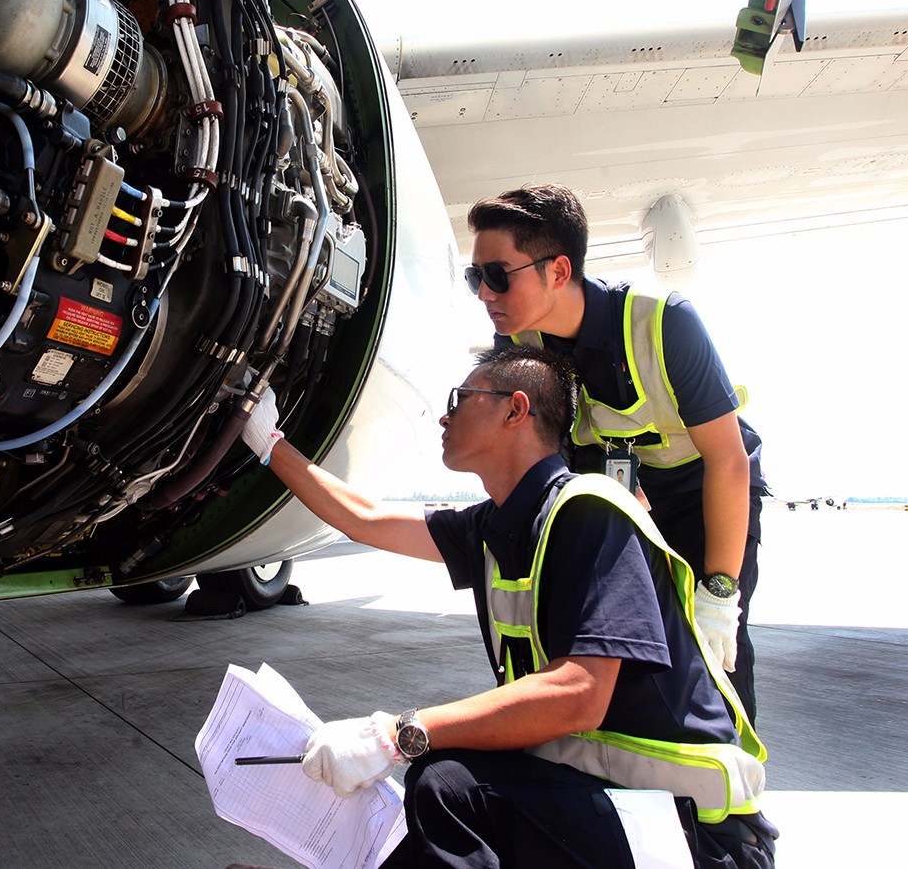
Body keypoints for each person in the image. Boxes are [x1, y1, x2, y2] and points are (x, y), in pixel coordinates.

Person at [238, 346, 775, 867]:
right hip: (618, 803)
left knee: (447, 787)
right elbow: (365, 521)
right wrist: (269, 443)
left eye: (461, 398)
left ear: (515, 409)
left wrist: (395, 734)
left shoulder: (589, 513)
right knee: (452, 783)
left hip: (696, 836)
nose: (444, 417)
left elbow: (578, 695)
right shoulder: (497, 526)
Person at [465, 184, 766, 722]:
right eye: (475, 278)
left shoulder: (665, 323)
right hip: (617, 501)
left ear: (558, 271)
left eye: (496, 276)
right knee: (616, 662)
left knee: (712, 671)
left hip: (702, 495)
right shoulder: (521, 350)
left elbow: (728, 461)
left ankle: (729, 798)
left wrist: (720, 593)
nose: (484, 294)